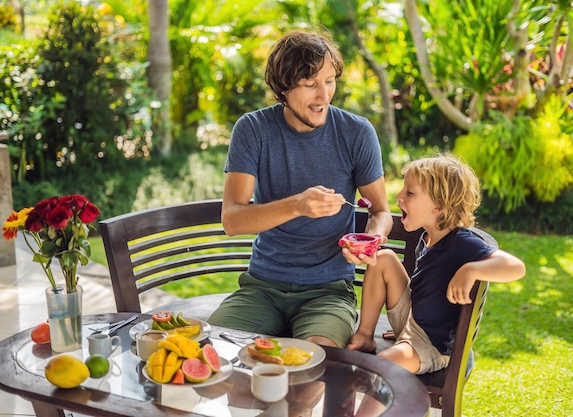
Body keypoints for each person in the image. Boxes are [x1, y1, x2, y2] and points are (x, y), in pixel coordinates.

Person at [207, 29, 392, 348]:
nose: (324, 95)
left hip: (329, 291)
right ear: (283, 88)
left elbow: (380, 210)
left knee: (318, 363)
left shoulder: (356, 133)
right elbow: (232, 220)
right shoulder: (253, 130)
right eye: (310, 84)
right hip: (261, 288)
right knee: (215, 350)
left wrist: (371, 241)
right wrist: (297, 205)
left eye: (330, 80)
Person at [347, 153, 526, 374]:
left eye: (410, 193)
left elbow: (516, 267)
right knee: (383, 258)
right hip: (414, 320)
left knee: (378, 369)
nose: (399, 196)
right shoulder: (428, 235)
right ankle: (365, 336)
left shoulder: (461, 242)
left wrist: (470, 269)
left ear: (439, 206)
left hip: (431, 344)